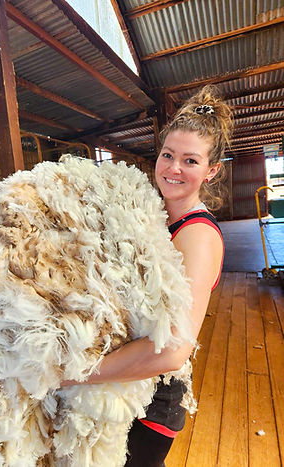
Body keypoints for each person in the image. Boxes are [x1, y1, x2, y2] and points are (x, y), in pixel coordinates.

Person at [61, 85, 233, 466]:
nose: (173, 168)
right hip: (115, 384)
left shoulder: (198, 237)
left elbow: (173, 350)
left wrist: (73, 374)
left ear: (212, 170)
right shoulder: (145, 212)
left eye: (190, 161)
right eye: (168, 155)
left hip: (149, 405)